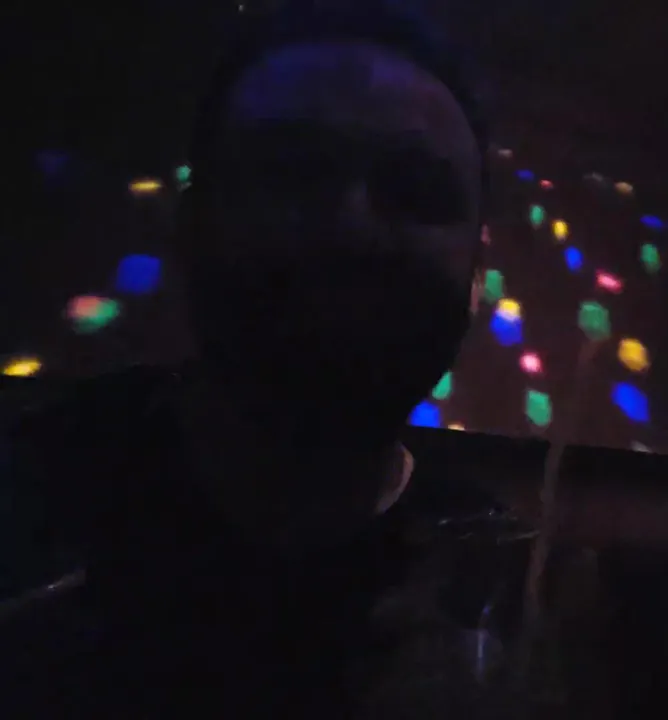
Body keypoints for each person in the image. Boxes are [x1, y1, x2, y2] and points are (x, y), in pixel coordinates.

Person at [0, 2, 513, 716]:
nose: (351, 226)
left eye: (416, 191)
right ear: (191, 225)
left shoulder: (492, 586)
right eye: (291, 173)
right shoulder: (26, 504)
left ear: (476, 276)